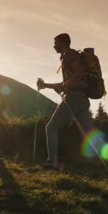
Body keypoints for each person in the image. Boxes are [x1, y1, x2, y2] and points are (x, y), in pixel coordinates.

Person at [37, 33, 93, 169]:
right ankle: (99, 165)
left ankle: (52, 163)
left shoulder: (69, 54)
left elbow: (79, 74)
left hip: (73, 99)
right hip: (83, 100)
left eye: (55, 43)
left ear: (63, 43)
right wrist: (46, 85)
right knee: (89, 133)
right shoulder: (71, 56)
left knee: (51, 128)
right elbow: (65, 82)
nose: (54, 46)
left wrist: (67, 85)